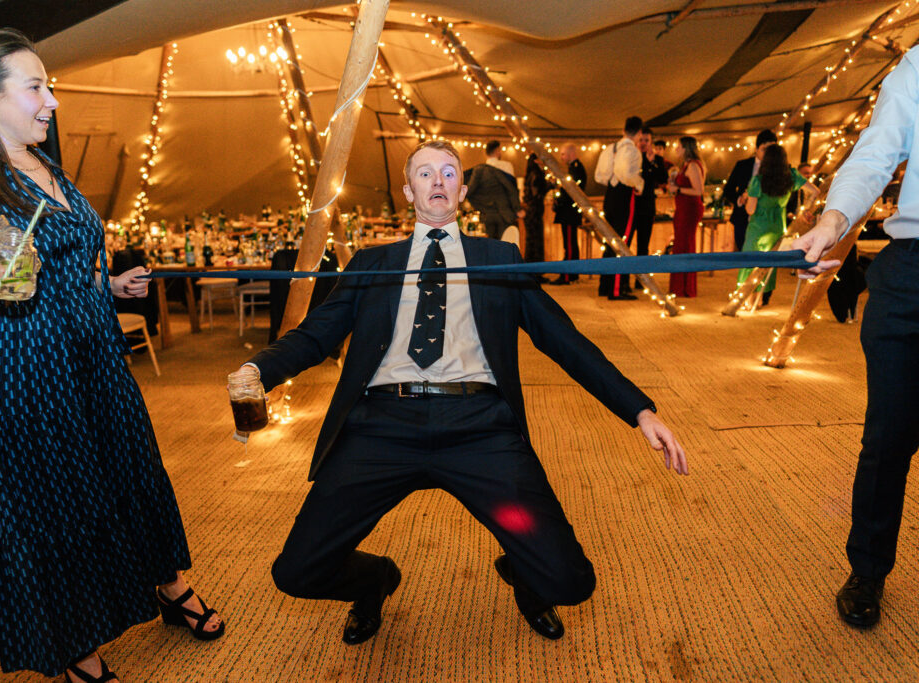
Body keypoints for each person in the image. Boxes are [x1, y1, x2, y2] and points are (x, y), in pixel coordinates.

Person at [232, 140, 688, 647]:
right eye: (425, 174)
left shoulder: (499, 260)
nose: (437, 182)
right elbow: (315, 335)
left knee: (569, 582)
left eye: (448, 173)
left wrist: (639, 409)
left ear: (462, 190)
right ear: (409, 191)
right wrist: (257, 367)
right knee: (296, 572)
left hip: (479, 427)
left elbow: (565, 342)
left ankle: (526, 576)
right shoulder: (372, 263)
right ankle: (375, 581)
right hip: (382, 425)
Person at [0, 27, 223, 680]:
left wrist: (109, 285)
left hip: (94, 364)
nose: (52, 101)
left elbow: (60, 270)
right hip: (18, 378)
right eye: (37, 86)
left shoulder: (46, 165)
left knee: (129, 477)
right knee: (54, 510)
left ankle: (166, 582)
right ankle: (76, 647)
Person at [794, 45, 919, 630]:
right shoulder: (918, 63)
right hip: (911, 269)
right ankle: (867, 569)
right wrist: (832, 220)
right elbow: (875, 152)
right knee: (888, 436)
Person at [737, 145, 818, 309]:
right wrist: (807, 209)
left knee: (749, 262)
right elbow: (815, 191)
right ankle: (759, 300)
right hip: (777, 227)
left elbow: (750, 209)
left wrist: (747, 198)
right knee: (768, 264)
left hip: (758, 227)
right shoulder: (792, 177)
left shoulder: (758, 181)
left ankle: (747, 301)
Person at [595, 116, 644, 300]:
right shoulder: (633, 151)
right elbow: (627, 175)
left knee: (610, 241)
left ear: (623, 130)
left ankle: (604, 285)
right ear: (639, 133)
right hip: (625, 196)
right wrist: (639, 184)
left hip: (610, 195)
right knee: (621, 242)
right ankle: (616, 289)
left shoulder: (610, 149)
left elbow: (599, 176)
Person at [724, 130, 777, 251]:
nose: (767, 153)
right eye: (764, 149)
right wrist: (739, 199)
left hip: (767, 221)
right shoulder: (742, 165)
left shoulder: (778, 169)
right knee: (744, 255)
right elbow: (728, 189)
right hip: (743, 219)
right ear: (757, 148)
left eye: (771, 150)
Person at [666, 136, 706, 298]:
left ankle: (685, 288)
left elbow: (699, 191)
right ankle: (680, 286)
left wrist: (678, 189)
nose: (676, 149)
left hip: (689, 209)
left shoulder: (693, 166)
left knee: (685, 245)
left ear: (685, 148)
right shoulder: (686, 165)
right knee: (681, 245)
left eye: (678, 146)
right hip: (683, 207)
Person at [463, 140, 523, 240]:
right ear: (497, 151)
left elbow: (470, 190)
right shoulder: (507, 166)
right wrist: (518, 208)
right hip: (504, 214)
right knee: (505, 245)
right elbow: (511, 189)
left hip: (487, 215)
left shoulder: (479, 170)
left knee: (490, 246)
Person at [550, 143, 587, 284]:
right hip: (568, 211)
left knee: (570, 245)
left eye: (563, 154)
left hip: (569, 212)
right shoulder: (573, 169)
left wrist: (558, 200)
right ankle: (572, 274)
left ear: (571, 153)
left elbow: (571, 191)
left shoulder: (577, 169)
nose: (561, 157)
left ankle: (567, 276)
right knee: (570, 243)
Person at [632, 127, 668, 256]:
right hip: (631, 205)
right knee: (625, 243)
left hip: (647, 206)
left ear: (651, 142)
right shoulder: (631, 158)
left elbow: (663, 178)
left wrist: (652, 162)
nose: (643, 143)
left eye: (646, 140)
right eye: (641, 140)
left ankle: (641, 276)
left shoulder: (656, 159)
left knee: (643, 245)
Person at [522, 153, 550, 272]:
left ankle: (531, 270)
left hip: (530, 211)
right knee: (536, 241)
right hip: (535, 211)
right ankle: (536, 272)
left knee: (531, 241)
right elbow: (536, 193)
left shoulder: (530, 174)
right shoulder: (537, 175)